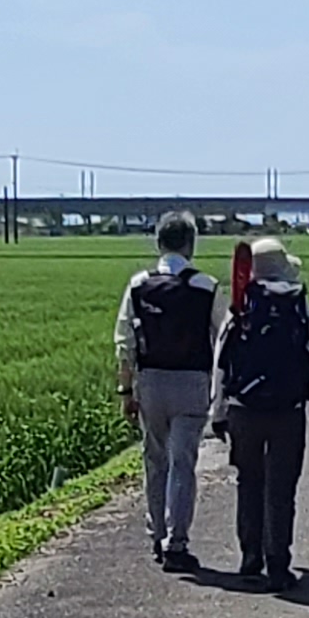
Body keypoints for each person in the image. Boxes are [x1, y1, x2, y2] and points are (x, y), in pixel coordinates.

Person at [211, 236, 309, 589]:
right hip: (288, 410)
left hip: (243, 410)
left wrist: (217, 411)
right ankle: (278, 563)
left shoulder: (242, 302)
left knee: (248, 482)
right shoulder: (297, 302)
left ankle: (251, 555)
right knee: (281, 488)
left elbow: (222, 359)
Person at [114, 212, 218, 573]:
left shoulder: (138, 284)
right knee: (183, 463)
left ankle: (157, 533)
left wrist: (126, 391)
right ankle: (177, 542)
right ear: (191, 244)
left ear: (158, 243)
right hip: (192, 382)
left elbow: (125, 343)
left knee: (155, 459)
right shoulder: (206, 286)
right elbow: (223, 337)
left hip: (151, 382)